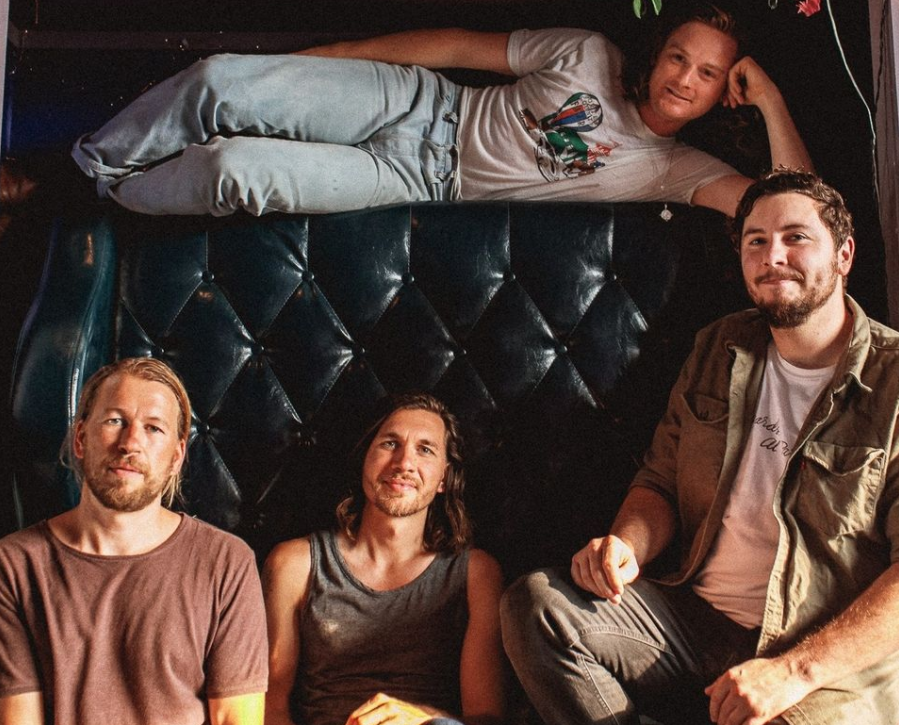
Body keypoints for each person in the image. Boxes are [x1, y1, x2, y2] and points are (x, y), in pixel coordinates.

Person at [501, 169, 899, 725]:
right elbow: (660, 481)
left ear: (844, 255)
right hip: (694, 620)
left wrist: (793, 673)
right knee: (538, 606)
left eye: (795, 237)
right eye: (756, 241)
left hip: (818, 661)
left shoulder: (892, 379)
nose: (772, 256)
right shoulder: (720, 344)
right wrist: (626, 545)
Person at [59, 4, 809, 219]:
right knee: (222, 79)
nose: (683, 78)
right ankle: (86, 166)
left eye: (707, 73)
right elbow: (456, 44)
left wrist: (771, 99)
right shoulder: (589, 53)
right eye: (678, 56)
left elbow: (797, 209)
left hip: (415, 180)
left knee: (234, 170)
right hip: (421, 101)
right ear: (658, 51)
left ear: (723, 93)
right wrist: (325, 61)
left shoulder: (675, 170)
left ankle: (105, 194)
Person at [0, 358, 268, 725]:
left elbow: (235, 720)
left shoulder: (226, 562)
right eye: (114, 421)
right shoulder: (14, 564)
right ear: (80, 438)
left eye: (153, 428)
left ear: (176, 457)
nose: (130, 444)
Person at [263, 393, 505, 725]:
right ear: (365, 457)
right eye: (390, 444)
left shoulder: (476, 573)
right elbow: (269, 706)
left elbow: (487, 718)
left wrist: (420, 717)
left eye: (425, 450)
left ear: (444, 478)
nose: (404, 463)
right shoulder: (295, 564)